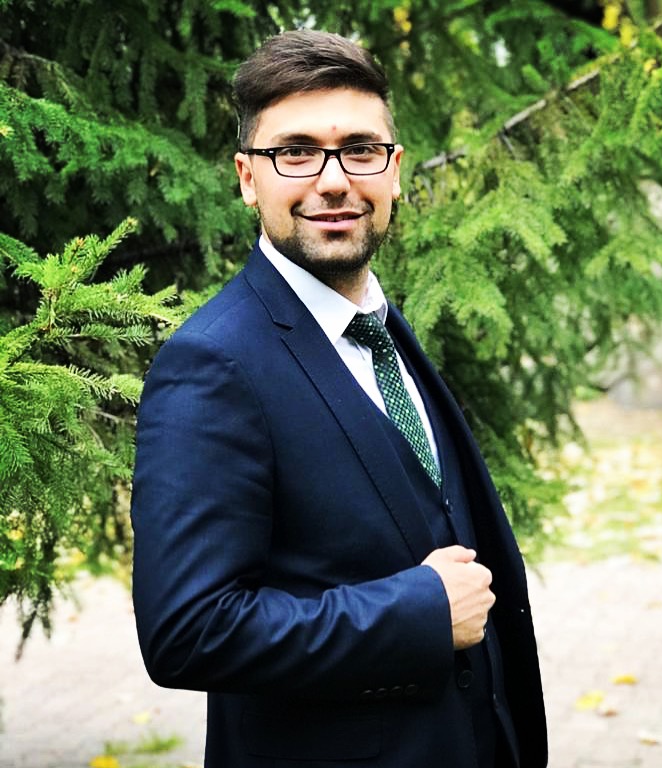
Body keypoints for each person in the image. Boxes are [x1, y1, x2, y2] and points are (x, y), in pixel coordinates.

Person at [130, 29, 547, 768]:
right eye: (295, 152)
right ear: (247, 178)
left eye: (359, 149)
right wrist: (421, 612)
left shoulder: (381, 328)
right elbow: (189, 631)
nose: (332, 180)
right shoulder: (213, 364)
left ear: (394, 170)